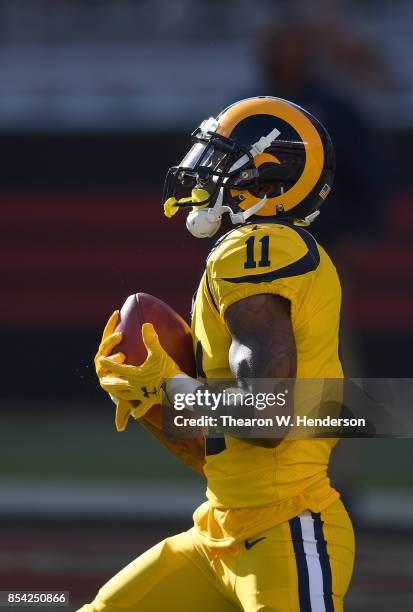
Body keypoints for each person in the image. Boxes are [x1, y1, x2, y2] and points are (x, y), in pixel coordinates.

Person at [79, 96, 355, 611]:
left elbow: (267, 421)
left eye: (221, 159)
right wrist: (150, 402)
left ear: (270, 181)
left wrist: (171, 388)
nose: (203, 171)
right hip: (219, 530)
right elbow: (216, 454)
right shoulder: (246, 255)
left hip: (284, 531)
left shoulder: (260, 248)